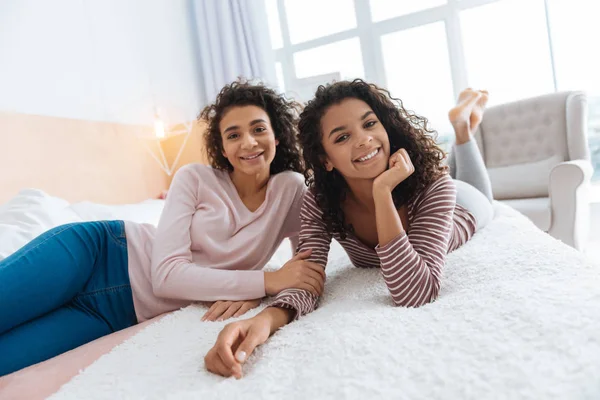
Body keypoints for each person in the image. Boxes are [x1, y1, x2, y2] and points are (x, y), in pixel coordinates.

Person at [0, 80, 325, 376]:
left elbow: (304, 271)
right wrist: (265, 281)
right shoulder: (194, 178)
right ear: (223, 148)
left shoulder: (291, 189)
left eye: (258, 129)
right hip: (97, 255)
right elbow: (167, 275)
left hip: (114, 314)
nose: (248, 142)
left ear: (277, 136)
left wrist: (259, 293)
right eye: (233, 135)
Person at [204, 80, 494, 379]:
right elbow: (307, 274)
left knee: (481, 193)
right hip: (425, 194)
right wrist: (264, 320)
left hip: (465, 206)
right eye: (342, 137)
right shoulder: (320, 200)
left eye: (370, 124)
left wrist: (382, 191)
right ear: (325, 159)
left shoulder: (434, 185)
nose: (364, 140)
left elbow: (416, 293)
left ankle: (461, 130)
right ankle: (463, 127)